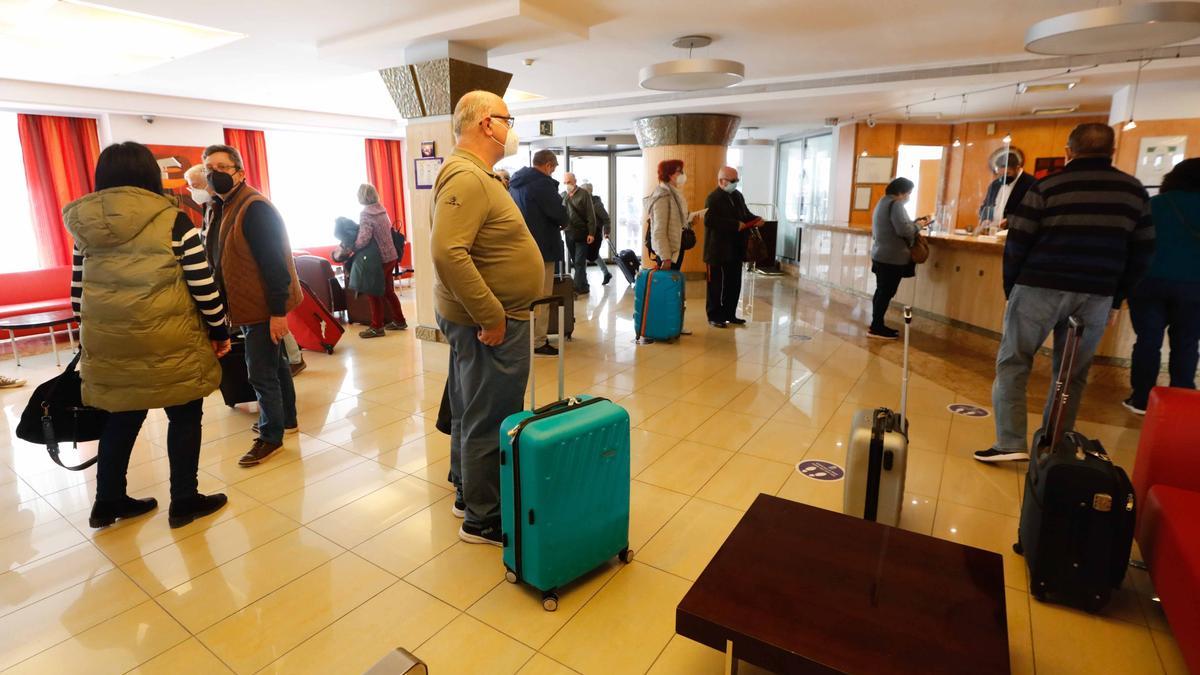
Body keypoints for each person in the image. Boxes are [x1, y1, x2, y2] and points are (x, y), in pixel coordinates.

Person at [64, 141, 230, 529]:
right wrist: (220, 329)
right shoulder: (174, 221)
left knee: (121, 418)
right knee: (185, 415)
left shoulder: (84, 228)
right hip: (170, 339)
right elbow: (202, 286)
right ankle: (185, 500)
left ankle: (107, 501)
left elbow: (77, 297)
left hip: (110, 344)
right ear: (149, 176)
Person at [974, 123, 1155, 463]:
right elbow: (1143, 251)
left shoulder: (1048, 186)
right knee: (1072, 373)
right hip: (1096, 294)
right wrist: (1116, 297)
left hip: (1039, 286)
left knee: (1014, 361)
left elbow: (1018, 241)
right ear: (1112, 152)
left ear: (1069, 152)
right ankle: (1055, 444)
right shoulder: (1133, 192)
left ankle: (1010, 441)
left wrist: (1011, 288)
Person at [431, 91, 543, 545]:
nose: (511, 127)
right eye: (507, 118)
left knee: (469, 404)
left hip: (478, 317)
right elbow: (447, 252)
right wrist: (491, 315)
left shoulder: (474, 174)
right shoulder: (468, 178)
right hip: (489, 323)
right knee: (491, 414)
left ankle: (466, 488)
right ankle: (484, 517)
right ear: (485, 124)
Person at [202, 143, 304, 468]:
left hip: (262, 307)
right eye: (209, 169)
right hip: (248, 304)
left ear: (240, 173)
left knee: (260, 373)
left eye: (222, 168)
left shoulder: (254, 207)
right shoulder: (228, 205)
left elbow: (274, 263)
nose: (214, 174)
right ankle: (286, 420)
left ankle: (270, 435)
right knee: (274, 366)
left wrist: (277, 313)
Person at [1124, 158, 1200, 415]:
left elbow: (1133, 243)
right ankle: (1182, 396)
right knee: (1187, 342)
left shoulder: (1154, 205)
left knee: (1148, 340)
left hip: (1149, 282)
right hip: (1195, 287)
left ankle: (1142, 399)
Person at [508, 149, 568, 356]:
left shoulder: (515, 184)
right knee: (542, 295)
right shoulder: (542, 184)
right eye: (554, 167)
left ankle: (522, 338)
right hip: (542, 248)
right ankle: (538, 340)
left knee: (523, 295)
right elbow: (559, 214)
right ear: (548, 165)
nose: (554, 171)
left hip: (520, 247)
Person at [869, 177, 929, 340]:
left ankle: (876, 323)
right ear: (901, 192)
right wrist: (919, 225)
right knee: (886, 292)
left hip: (880, 254)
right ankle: (877, 327)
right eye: (908, 193)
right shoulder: (896, 205)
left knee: (881, 290)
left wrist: (912, 223)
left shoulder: (882, 202)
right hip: (892, 257)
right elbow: (904, 231)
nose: (908, 196)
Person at [704, 167, 762, 327]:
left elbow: (745, 214)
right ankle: (714, 316)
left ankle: (730, 313)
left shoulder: (737, 196)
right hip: (716, 249)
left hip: (735, 248)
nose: (736, 183)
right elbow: (710, 221)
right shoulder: (713, 198)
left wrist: (756, 219)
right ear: (722, 181)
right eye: (733, 181)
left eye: (737, 180)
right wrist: (735, 225)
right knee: (715, 285)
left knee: (734, 283)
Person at [354, 183, 409, 338]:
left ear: (361, 197)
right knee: (388, 291)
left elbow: (364, 238)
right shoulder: (382, 209)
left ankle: (377, 327)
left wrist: (354, 247)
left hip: (378, 259)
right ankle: (399, 320)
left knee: (373, 292)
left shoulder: (366, 214)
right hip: (391, 256)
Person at [646, 159, 688, 270]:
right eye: (679, 171)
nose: (682, 174)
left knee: (673, 285)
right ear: (669, 174)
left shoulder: (674, 193)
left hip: (675, 250)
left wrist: (690, 221)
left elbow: (675, 221)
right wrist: (666, 258)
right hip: (667, 253)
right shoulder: (662, 197)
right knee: (667, 286)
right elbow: (659, 231)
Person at [978, 152, 1036, 230]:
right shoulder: (995, 184)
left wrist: (1010, 220)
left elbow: (1032, 213)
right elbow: (986, 205)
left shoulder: (1031, 184)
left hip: (1015, 233)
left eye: (1007, 174)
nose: (1003, 178)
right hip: (992, 231)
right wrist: (985, 218)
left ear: (1017, 168)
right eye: (1000, 175)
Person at [562, 172, 597, 294]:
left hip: (582, 232)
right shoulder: (564, 195)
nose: (567, 185)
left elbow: (590, 214)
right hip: (569, 233)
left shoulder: (584, 194)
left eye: (569, 182)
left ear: (575, 181)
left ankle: (576, 288)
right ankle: (585, 285)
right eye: (565, 182)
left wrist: (591, 233)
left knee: (579, 261)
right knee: (577, 261)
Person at [581, 182, 613, 286]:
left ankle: (604, 273)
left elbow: (606, 219)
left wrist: (606, 232)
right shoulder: (584, 203)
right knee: (589, 254)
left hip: (596, 234)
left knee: (591, 255)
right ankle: (604, 273)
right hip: (586, 233)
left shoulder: (596, 205)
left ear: (587, 192)